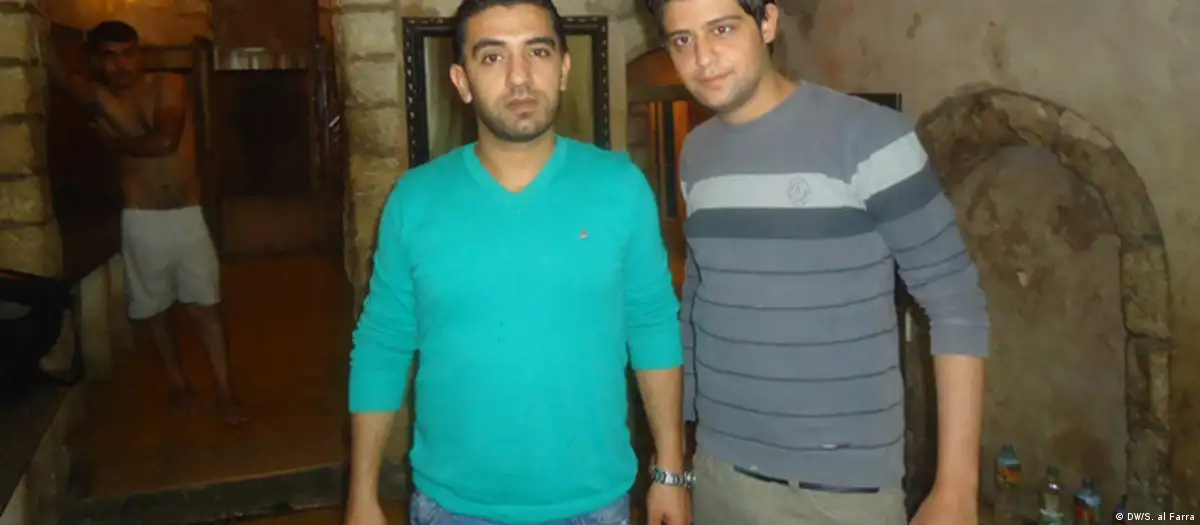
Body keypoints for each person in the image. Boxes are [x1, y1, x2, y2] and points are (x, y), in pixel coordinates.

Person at [642, 0, 991, 523]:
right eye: (682, 40)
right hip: (720, 473)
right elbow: (699, 298)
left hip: (840, 493)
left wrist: (957, 487)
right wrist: (675, 461)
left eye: (722, 29)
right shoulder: (697, 152)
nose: (703, 58)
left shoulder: (868, 135)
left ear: (767, 22)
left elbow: (956, 303)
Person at [343, 0, 691, 524]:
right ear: (461, 81)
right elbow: (382, 344)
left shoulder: (620, 188)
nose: (520, 76)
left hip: (594, 505)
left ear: (564, 68)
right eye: (492, 57)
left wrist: (670, 471)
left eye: (538, 51)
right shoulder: (415, 200)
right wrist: (362, 493)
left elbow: (653, 326)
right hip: (452, 508)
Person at [41, 20, 249, 426]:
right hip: (140, 217)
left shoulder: (167, 84)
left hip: (186, 214)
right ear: (96, 60)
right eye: (109, 56)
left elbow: (164, 141)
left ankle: (226, 391)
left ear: (139, 54)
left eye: (128, 53)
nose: (121, 65)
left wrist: (114, 142)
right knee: (155, 308)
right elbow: (56, 69)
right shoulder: (97, 95)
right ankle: (178, 384)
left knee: (205, 307)